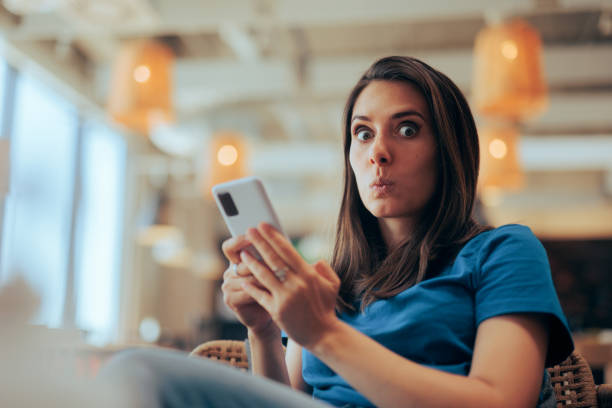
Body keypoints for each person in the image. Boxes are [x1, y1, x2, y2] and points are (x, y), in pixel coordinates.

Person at [100, 56, 573, 408]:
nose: (378, 152)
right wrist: (265, 332)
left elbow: (501, 401)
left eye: (407, 129)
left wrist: (323, 333)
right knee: (129, 374)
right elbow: (282, 400)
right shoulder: (331, 280)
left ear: (450, 150)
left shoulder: (504, 251)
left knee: (139, 370)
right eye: (363, 133)